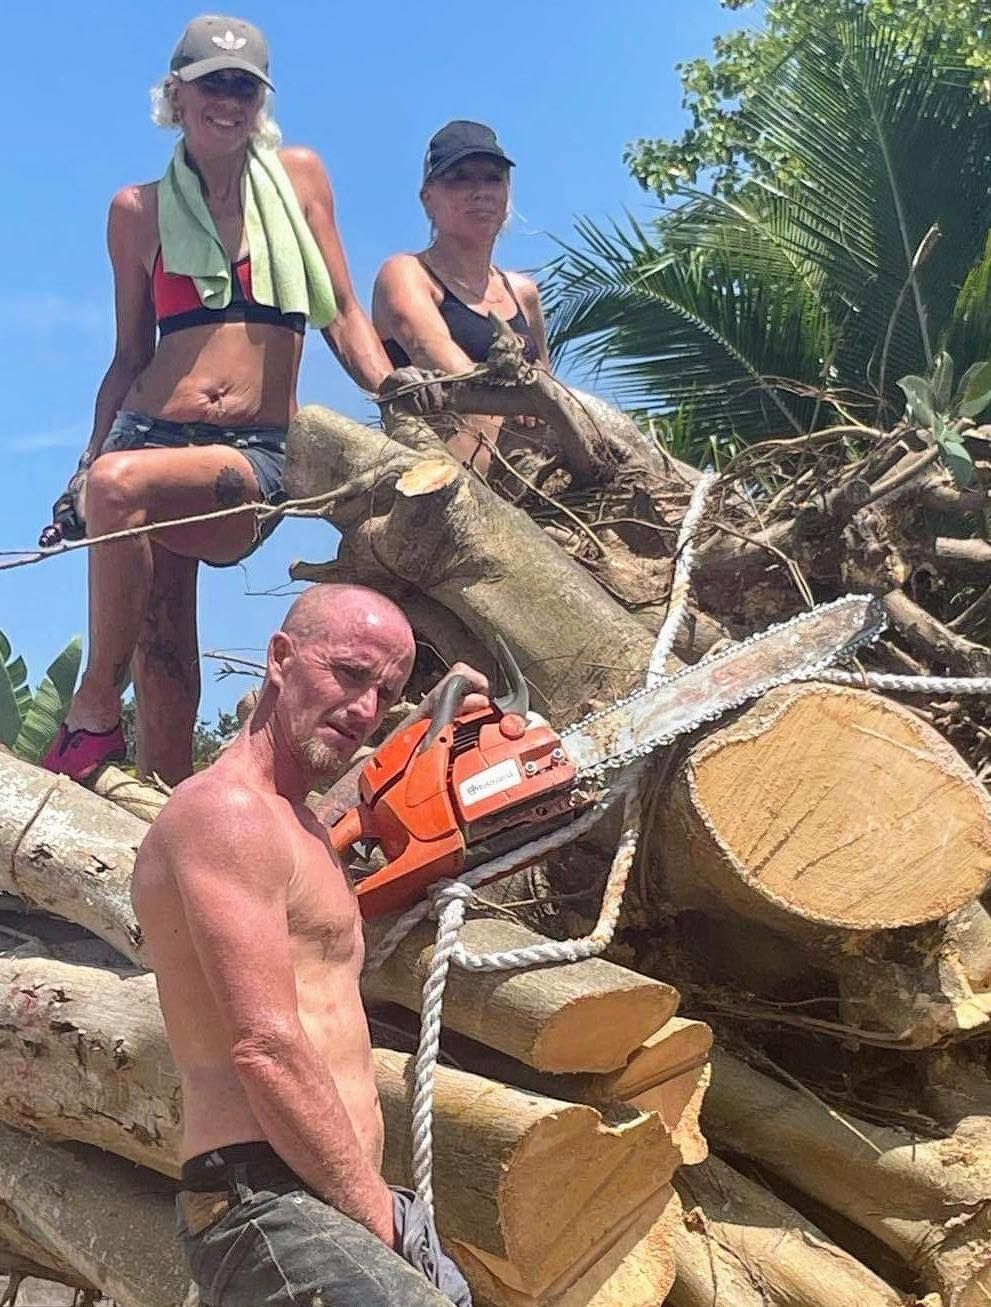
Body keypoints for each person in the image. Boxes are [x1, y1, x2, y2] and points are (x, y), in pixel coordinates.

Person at [43, 15, 396, 786]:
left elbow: (340, 308)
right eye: (211, 83)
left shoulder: (299, 174)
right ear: (177, 93)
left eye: (242, 85)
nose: (226, 99)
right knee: (163, 635)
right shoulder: (135, 211)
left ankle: (93, 704)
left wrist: (396, 395)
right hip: (147, 427)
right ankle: (166, 807)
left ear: (260, 99)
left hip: (253, 452)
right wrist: (81, 468)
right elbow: (130, 354)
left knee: (119, 484)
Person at [132, 583, 482, 1306]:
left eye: (383, 693)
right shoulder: (224, 813)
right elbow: (265, 1045)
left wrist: (438, 709)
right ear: (280, 658)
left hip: (321, 1195)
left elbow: (357, 790)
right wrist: (381, 1222)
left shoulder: (304, 827)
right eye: (349, 674)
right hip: (262, 1195)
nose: (363, 709)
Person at [373, 120, 552, 473]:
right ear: (428, 197)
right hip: (444, 487)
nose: (480, 191)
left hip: (535, 488)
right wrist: (514, 399)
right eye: (460, 178)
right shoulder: (407, 273)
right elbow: (432, 351)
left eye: (492, 178)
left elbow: (549, 386)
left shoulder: (523, 293)